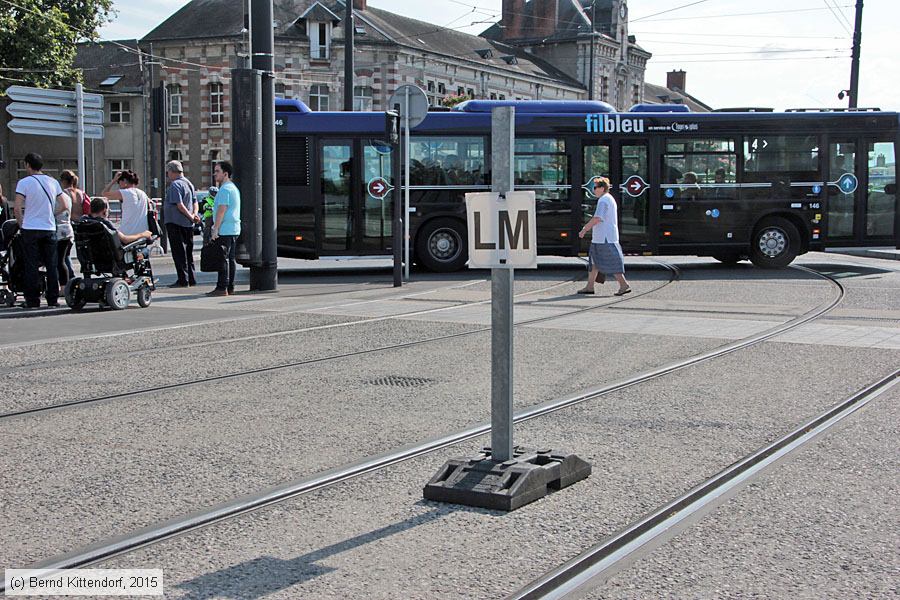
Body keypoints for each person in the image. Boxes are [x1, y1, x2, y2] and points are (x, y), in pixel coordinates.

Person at [14, 153, 70, 308]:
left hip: (30, 228)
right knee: (52, 264)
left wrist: (21, 224)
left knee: (31, 265)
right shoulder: (53, 182)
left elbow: (17, 208)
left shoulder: (24, 183)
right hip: (49, 228)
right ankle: (52, 299)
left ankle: (32, 300)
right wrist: (52, 213)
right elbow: (65, 204)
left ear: (27, 165)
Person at [577, 177, 630, 296]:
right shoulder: (608, 199)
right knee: (594, 262)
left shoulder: (603, 200)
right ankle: (589, 286)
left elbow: (597, 218)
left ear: (602, 188)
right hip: (601, 237)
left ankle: (623, 284)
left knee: (611, 261)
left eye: (595, 188)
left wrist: (585, 229)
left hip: (604, 238)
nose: (593, 190)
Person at [163, 160, 200, 287]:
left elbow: (179, 205)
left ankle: (183, 279)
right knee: (188, 252)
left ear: (172, 171)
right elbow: (195, 202)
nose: (167, 174)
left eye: (168, 171)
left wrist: (190, 216)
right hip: (188, 224)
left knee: (179, 253)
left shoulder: (175, 185)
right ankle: (191, 278)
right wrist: (194, 215)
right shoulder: (189, 183)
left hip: (176, 222)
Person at [206, 161, 240, 297]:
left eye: (217, 171)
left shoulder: (225, 189)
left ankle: (222, 287)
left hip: (225, 229)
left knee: (223, 259)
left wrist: (215, 228)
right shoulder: (233, 188)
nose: (215, 174)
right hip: (233, 228)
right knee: (230, 259)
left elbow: (221, 210)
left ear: (225, 174)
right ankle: (230, 286)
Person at [83, 197, 152, 244]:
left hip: (89, 258)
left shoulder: (83, 221)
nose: (109, 210)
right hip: (108, 259)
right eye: (108, 209)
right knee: (143, 252)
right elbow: (124, 239)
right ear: (104, 210)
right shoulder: (104, 224)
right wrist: (142, 234)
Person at [101, 170, 151, 236]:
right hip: (143, 232)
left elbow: (104, 193)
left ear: (124, 181)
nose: (119, 184)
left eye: (119, 182)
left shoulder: (125, 192)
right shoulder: (143, 193)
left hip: (128, 232)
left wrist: (114, 180)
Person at [54, 173, 76, 288]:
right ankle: (69, 284)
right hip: (68, 230)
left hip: (58, 230)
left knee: (59, 261)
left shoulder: (55, 197)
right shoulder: (67, 195)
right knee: (64, 259)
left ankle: (64, 286)